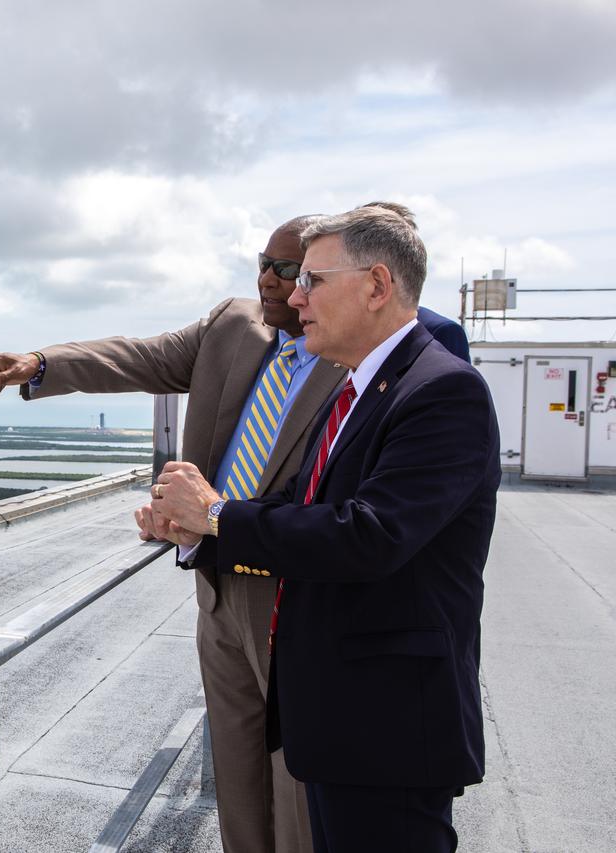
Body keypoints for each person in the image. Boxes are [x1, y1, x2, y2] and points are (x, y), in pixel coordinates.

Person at [0, 217, 344, 853]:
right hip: (217, 594)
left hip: (297, 601)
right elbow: (140, 356)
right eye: (264, 265)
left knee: (297, 788)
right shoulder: (234, 327)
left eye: (292, 271)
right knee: (238, 778)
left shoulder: (358, 358)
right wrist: (38, 363)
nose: (272, 281)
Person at [149, 204, 499, 852]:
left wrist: (218, 512)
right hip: (341, 724)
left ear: (376, 286)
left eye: (313, 280)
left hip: (388, 732)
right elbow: (295, 502)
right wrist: (194, 530)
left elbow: (367, 536)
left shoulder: (444, 392)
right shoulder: (357, 390)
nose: (293, 295)